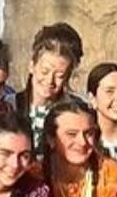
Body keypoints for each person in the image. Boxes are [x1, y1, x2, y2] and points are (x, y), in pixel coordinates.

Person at [19, 23, 83, 152]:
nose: (50, 81)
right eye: (44, 71)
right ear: (32, 66)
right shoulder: (9, 106)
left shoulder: (77, 110)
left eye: (60, 75)